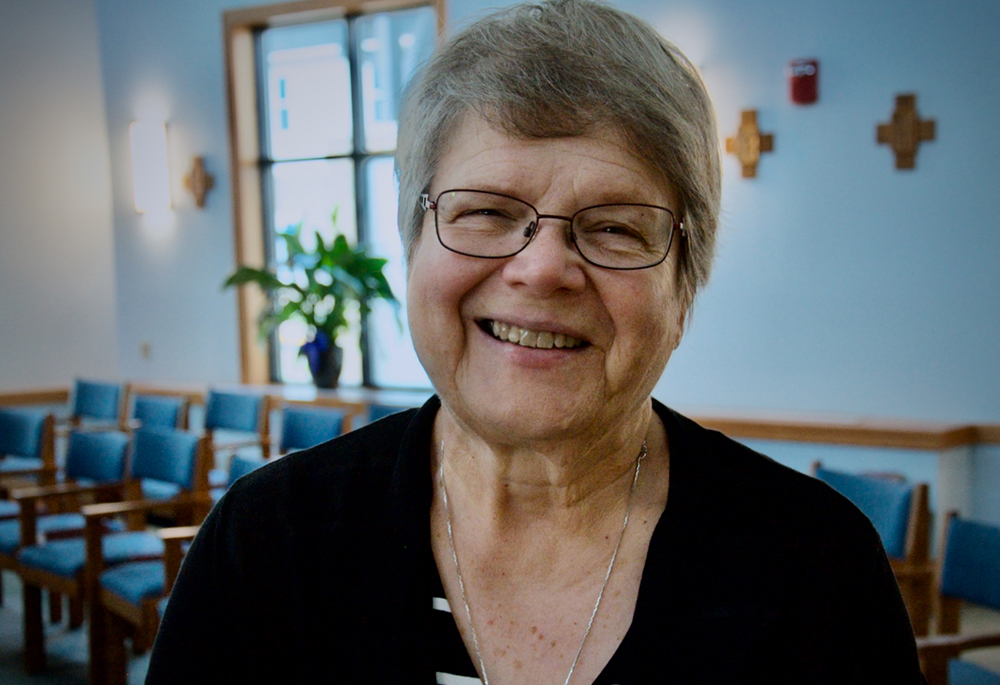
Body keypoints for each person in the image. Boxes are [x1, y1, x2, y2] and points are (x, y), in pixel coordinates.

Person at [147, 1, 925, 682]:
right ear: (413, 241)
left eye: (616, 227)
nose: (544, 267)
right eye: (485, 211)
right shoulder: (266, 546)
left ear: (685, 286)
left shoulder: (816, 570)